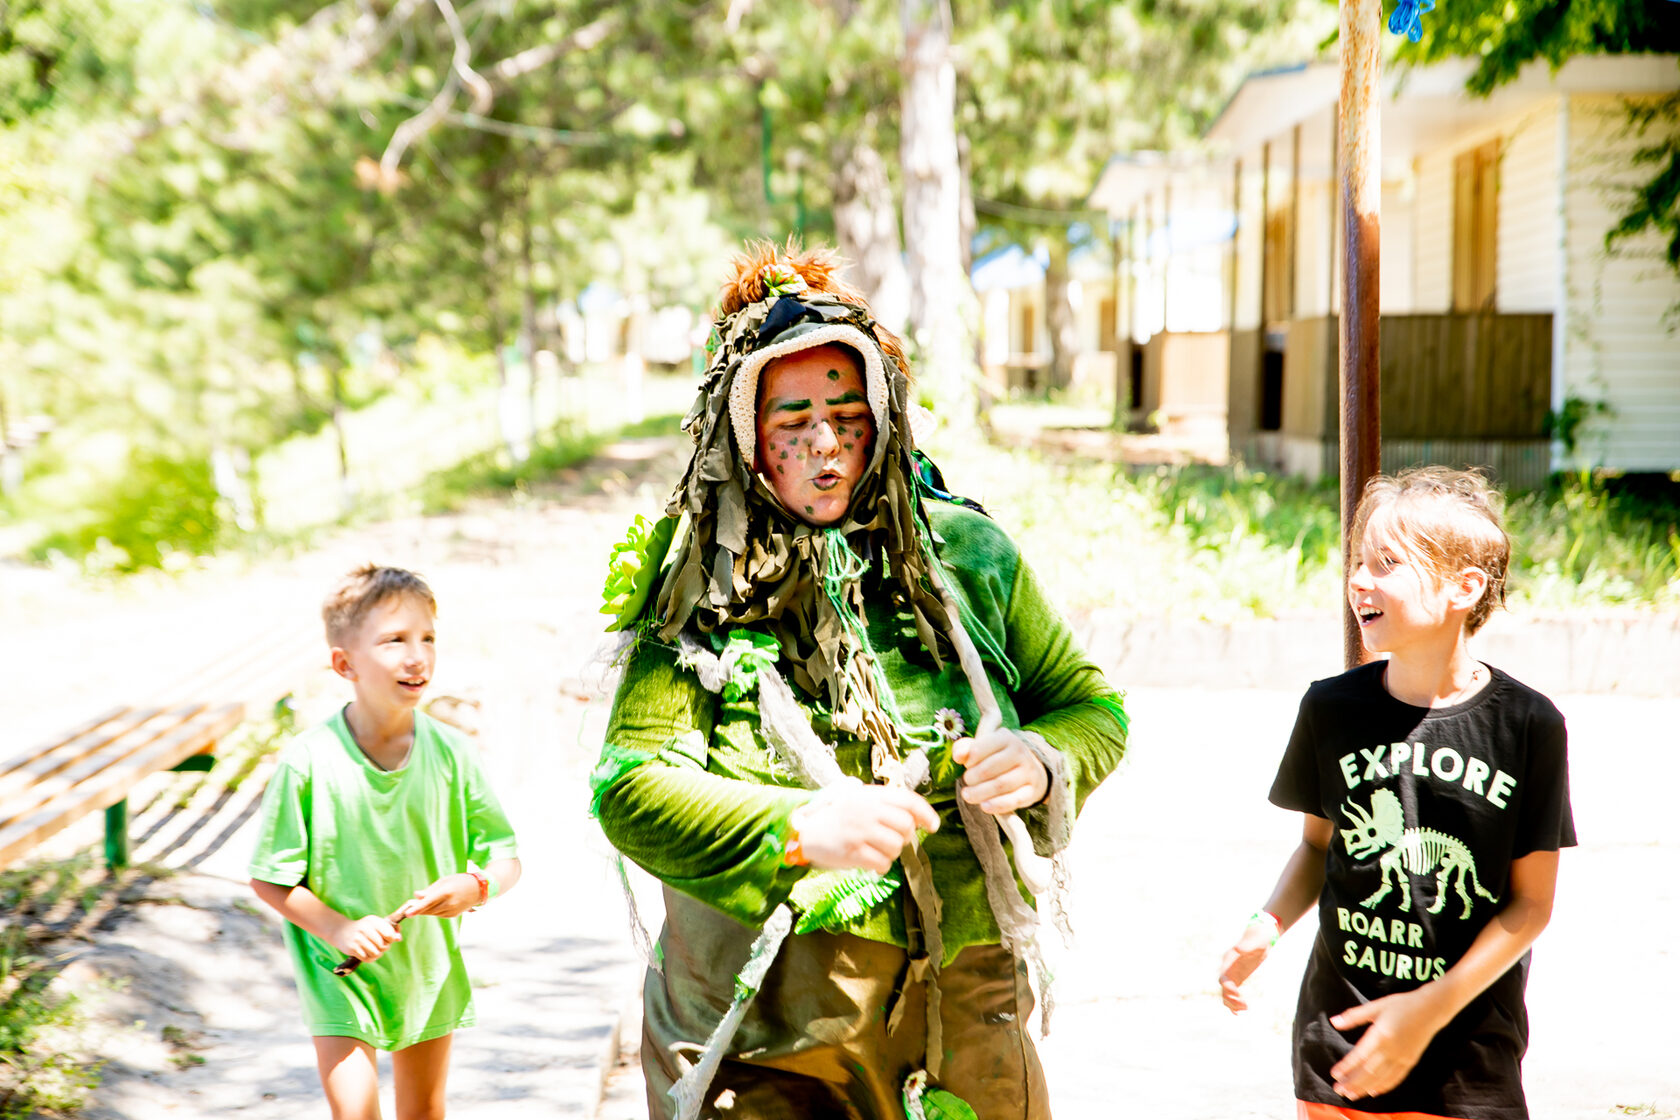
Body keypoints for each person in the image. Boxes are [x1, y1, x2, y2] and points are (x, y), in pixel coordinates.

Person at [591, 241, 1129, 1120]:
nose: (825, 448)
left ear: (884, 417)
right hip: (762, 1029)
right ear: (743, 435)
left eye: (847, 417)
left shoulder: (967, 554)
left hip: (965, 1017)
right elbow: (627, 786)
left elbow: (1091, 706)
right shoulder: (701, 583)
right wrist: (800, 825)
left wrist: (1042, 757)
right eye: (792, 423)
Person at [1218, 467, 1575, 1119]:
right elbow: (1315, 847)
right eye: (1358, 561)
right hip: (1337, 1048)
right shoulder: (1331, 707)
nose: (1359, 579)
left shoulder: (1529, 725)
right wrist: (1264, 925)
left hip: (1464, 1062)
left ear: (1464, 587)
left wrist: (1424, 1012)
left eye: (1387, 563)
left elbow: (1530, 906)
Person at [248, 565, 521, 1120]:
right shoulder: (308, 761)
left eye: (427, 638)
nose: (416, 656)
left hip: (427, 969)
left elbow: (505, 857)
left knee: (423, 1111)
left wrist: (475, 886)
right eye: (394, 640)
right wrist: (339, 929)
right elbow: (270, 878)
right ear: (344, 663)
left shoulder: (452, 753)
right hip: (339, 977)